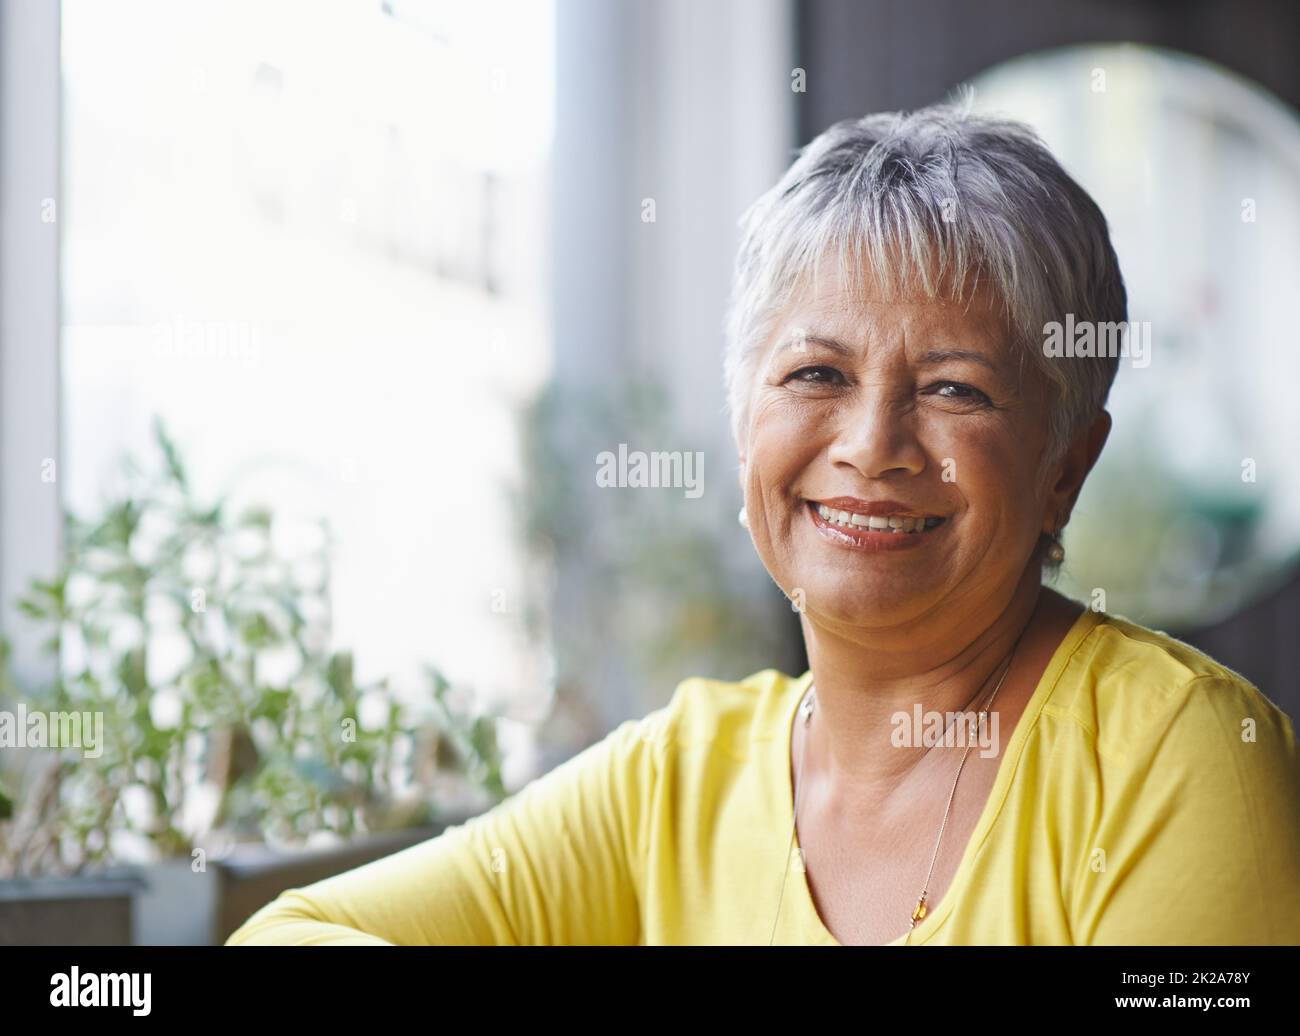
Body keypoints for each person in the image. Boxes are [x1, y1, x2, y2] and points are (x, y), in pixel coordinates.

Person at [226, 102, 1300, 946]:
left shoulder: (1174, 755)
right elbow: (295, 935)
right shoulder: (676, 783)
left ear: (1065, 464)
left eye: (955, 389)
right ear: (747, 424)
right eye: (817, 372)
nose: (873, 444)